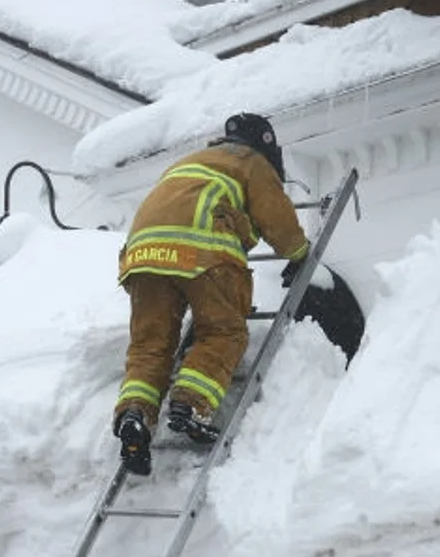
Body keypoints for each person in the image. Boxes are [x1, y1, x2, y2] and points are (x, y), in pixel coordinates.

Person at [112, 112, 311, 475]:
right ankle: (190, 405)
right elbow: (276, 217)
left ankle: (134, 416)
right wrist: (298, 254)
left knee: (150, 345)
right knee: (223, 332)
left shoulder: (190, 162)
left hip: (142, 256)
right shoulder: (249, 161)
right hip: (201, 250)